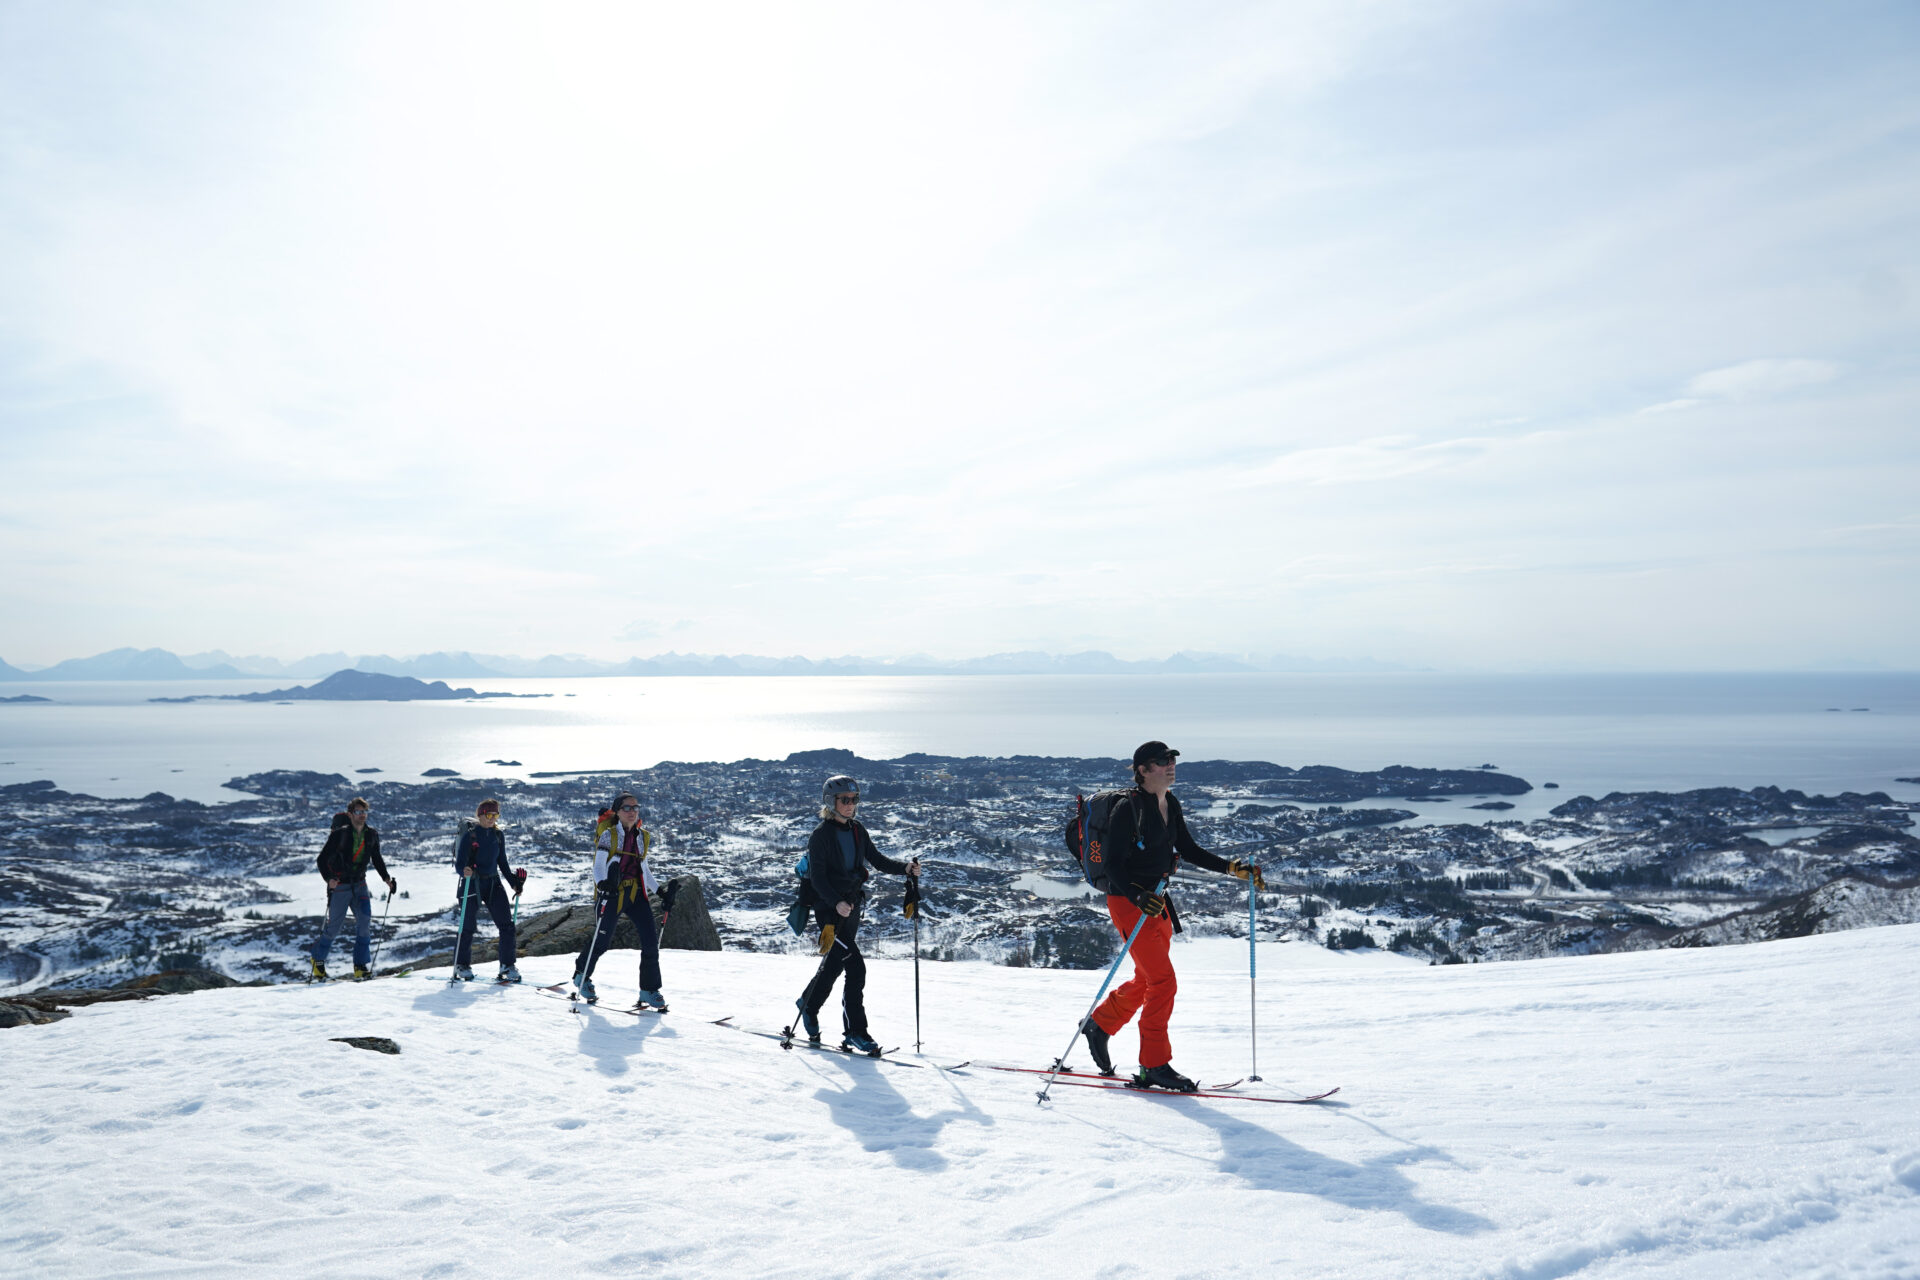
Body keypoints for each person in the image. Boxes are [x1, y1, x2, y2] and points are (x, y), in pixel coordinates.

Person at [1080, 742, 1266, 1091]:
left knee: (1147, 977)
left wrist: (1231, 868)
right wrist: (1137, 895)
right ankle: (1153, 1065)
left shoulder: (1170, 803)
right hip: (1130, 902)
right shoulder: (1127, 808)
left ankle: (1100, 1024)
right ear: (1142, 770)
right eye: (1162, 761)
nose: (1171, 765)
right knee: (1162, 982)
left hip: (1158, 901)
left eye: (1172, 760)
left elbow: (1189, 849)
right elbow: (1112, 865)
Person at [795, 774, 919, 1056]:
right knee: (856, 967)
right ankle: (855, 1032)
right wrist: (836, 902)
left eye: (854, 800)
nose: (851, 805)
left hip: (850, 909)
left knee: (836, 964)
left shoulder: (857, 830)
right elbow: (818, 879)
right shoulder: (821, 836)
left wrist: (905, 869)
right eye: (845, 800)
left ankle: (808, 1004)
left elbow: (875, 860)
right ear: (831, 802)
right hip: (830, 912)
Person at [572, 792, 666, 1009]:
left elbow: (643, 867)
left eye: (635, 808)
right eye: (627, 808)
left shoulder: (642, 836)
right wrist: (603, 885)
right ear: (617, 812)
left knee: (650, 942)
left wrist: (660, 891)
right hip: (612, 893)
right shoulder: (609, 835)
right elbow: (598, 865)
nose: (632, 812)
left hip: (635, 894)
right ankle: (581, 975)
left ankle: (649, 989)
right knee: (601, 942)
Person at [307, 797, 397, 981]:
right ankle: (317, 960)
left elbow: (376, 858)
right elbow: (321, 859)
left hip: (360, 885)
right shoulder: (339, 835)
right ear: (350, 814)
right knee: (334, 928)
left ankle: (360, 966)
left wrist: (386, 878)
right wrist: (329, 879)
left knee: (364, 922)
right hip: (340, 886)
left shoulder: (371, 834)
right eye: (358, 812)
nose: (362, 815)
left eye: (364, 811)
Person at [453, 798, 524, 983]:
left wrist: (513, 884)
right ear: (480, 814)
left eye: (496, 814)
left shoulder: (498, 836)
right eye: (489, 814)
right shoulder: (470, 835)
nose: (492, 818)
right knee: (467, 927)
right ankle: (462, 965)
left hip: (493, 883)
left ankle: (507, 965)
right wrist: (464, 871)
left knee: (507, 926)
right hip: (472, 883)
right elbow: (459, 863)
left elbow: (503, 863)